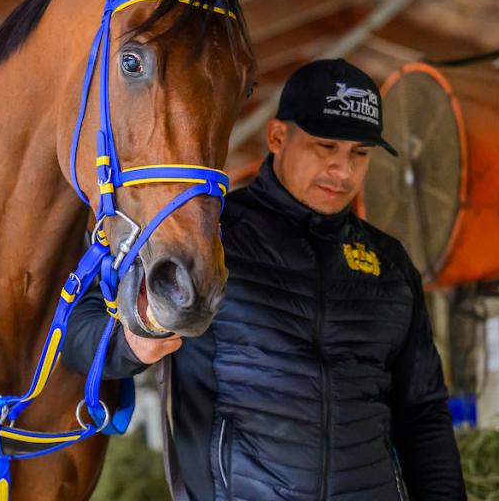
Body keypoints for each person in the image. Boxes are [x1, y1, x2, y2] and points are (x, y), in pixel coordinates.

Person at [63, 59, 466, 500]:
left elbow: (422, 412)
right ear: (277, 137)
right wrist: (131, 343)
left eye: (360, 154)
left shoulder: (390, 265)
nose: (343, 171)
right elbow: (76, 335)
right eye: (325, 147)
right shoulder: (207, 239)